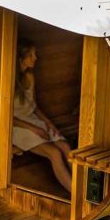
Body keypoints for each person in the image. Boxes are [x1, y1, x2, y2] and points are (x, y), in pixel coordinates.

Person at [13, 40, 72, 193]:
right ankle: (75, 193)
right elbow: (7, 116)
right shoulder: (8, 80)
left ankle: (84, 187)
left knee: (65, 147)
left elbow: (35, 107)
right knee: (55, 153)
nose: (35, 58)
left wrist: (49, 123)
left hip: (32, 120)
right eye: (31, 55)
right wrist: (34, 128)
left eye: (35, 54)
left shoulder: (30, 77)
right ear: (21, 58)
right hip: (16, 126)